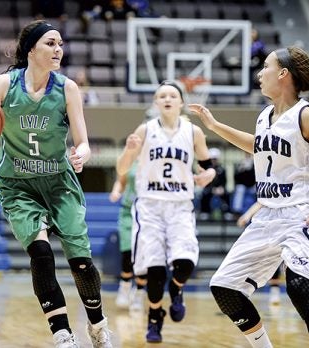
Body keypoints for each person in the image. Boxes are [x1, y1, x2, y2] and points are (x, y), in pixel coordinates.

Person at [189, 46, 309, 348]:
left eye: (265, 66)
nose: (259, 73)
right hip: (267, 217)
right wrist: (214, 126)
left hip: (302, 214)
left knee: (299, 285)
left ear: (283, 74)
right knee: (224, 287)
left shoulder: (308, 115)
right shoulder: (265, 116)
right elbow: (259, 146)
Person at [0, 19, 112, 347]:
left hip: (59, 184)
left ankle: (97, 325)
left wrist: (81, 154)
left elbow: (83, 142)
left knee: (81, 263)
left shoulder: (67, 88)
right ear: (31, 50)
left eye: (61, 44)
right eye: (51, 43)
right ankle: (63, 334)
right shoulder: (2, 84)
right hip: (18, 184)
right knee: (41, 255)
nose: (58, 50)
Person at [116, 80, 217, 343]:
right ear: (156, 102)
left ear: (181, 102)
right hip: (150, 206)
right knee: (155, 269)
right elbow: (121, 169)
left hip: (180, 205)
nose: (167, 99)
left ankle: (177, 288)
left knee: (184, 263)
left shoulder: (193, 132)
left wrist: (207, 175)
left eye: (173, 95)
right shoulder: (145, 130)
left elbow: (208, 166)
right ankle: (154, 318)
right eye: (162, 96)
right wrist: (128, 151)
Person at [109, 162, 146, 312]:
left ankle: (139, 293)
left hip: (147, 212)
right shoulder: (129, 160)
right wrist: (116, 191)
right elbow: (121, 181)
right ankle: (124, 288)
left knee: (143, 255)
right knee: (127, 252)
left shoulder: (155, 157)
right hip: (127, 211)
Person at [237, 201, 282, 306]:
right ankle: (247, 289)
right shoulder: (268, 192)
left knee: (281, 262)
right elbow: (261, 202)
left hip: (285, 228)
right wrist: (246, 216)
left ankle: (275, 292)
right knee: (257, 260)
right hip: (266, 229)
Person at [198, 147, 230, 220]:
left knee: (227, 194)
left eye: (215, 159)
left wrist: (221, 188)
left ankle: (227, 212)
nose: (214, 161)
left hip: (219, 189)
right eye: (212, 159)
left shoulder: (222, 169)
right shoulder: (206, 169)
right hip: (209, 189)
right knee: (204, 193)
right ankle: (205, 211)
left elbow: (224, 181)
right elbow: (205, 183)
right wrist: (212, 189)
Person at [231, 151, 256, 216]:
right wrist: (241, 169)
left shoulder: (254, 163)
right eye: (246, 154)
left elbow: (256, 176)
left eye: (249, 154)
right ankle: (237, 210)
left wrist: (250, 169)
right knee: (240, 190)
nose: (247, 155)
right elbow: (236, 177)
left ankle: (255, 211)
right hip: (243, 185)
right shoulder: (241, 163)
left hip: (252, 184)